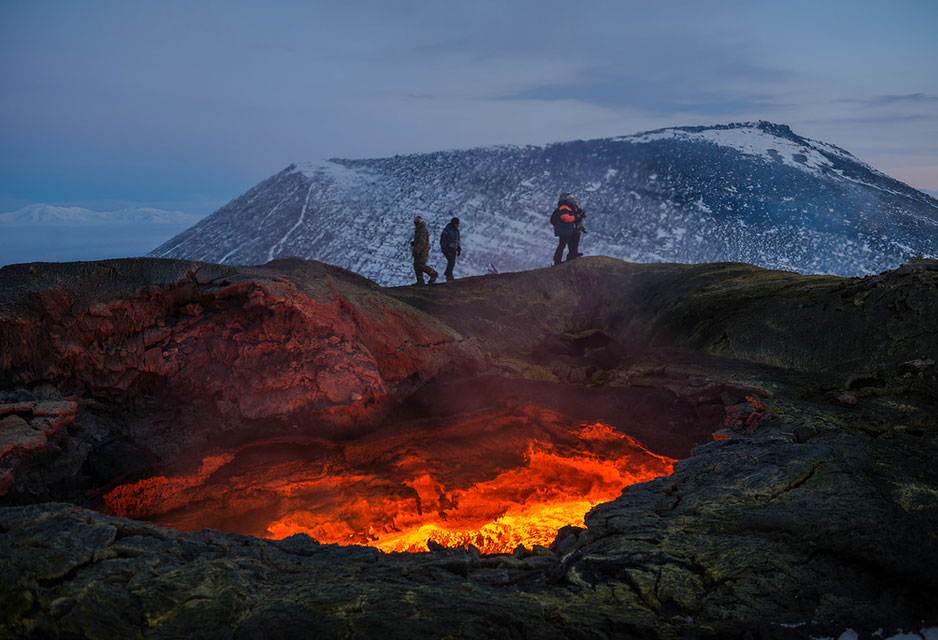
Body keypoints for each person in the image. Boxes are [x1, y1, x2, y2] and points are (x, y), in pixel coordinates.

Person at [550, 193, 586, 265]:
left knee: (570, 242)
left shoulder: (568, 207)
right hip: (565, 229)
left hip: (567, 229)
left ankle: (572, 256)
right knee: (563, 244)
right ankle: (558, 260)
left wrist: (579, 222)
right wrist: (576, 217)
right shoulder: (564, 208)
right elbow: (566, 218)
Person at [411, 216, 438, 285]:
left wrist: (417, 250)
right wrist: (415, 243)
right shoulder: (419, 230)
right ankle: (420, 281)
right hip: (420, 251)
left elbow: (422, 242)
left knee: (421, 265)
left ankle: (433, 273)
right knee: (416, 266)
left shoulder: (422, 230)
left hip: (422, 252)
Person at [439, 217, 461, 281]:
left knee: (452, 262)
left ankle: (448, 274)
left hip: (454, 249)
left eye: (458, 224)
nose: (457, 225)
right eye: (456, 224)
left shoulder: (457, 231)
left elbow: (457, 240)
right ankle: (449, 276)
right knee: (451, 262)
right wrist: (444, 248)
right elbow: (442, 239)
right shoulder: (447, 230)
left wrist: (458, 248)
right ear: (453, 223)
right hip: (448, 248)